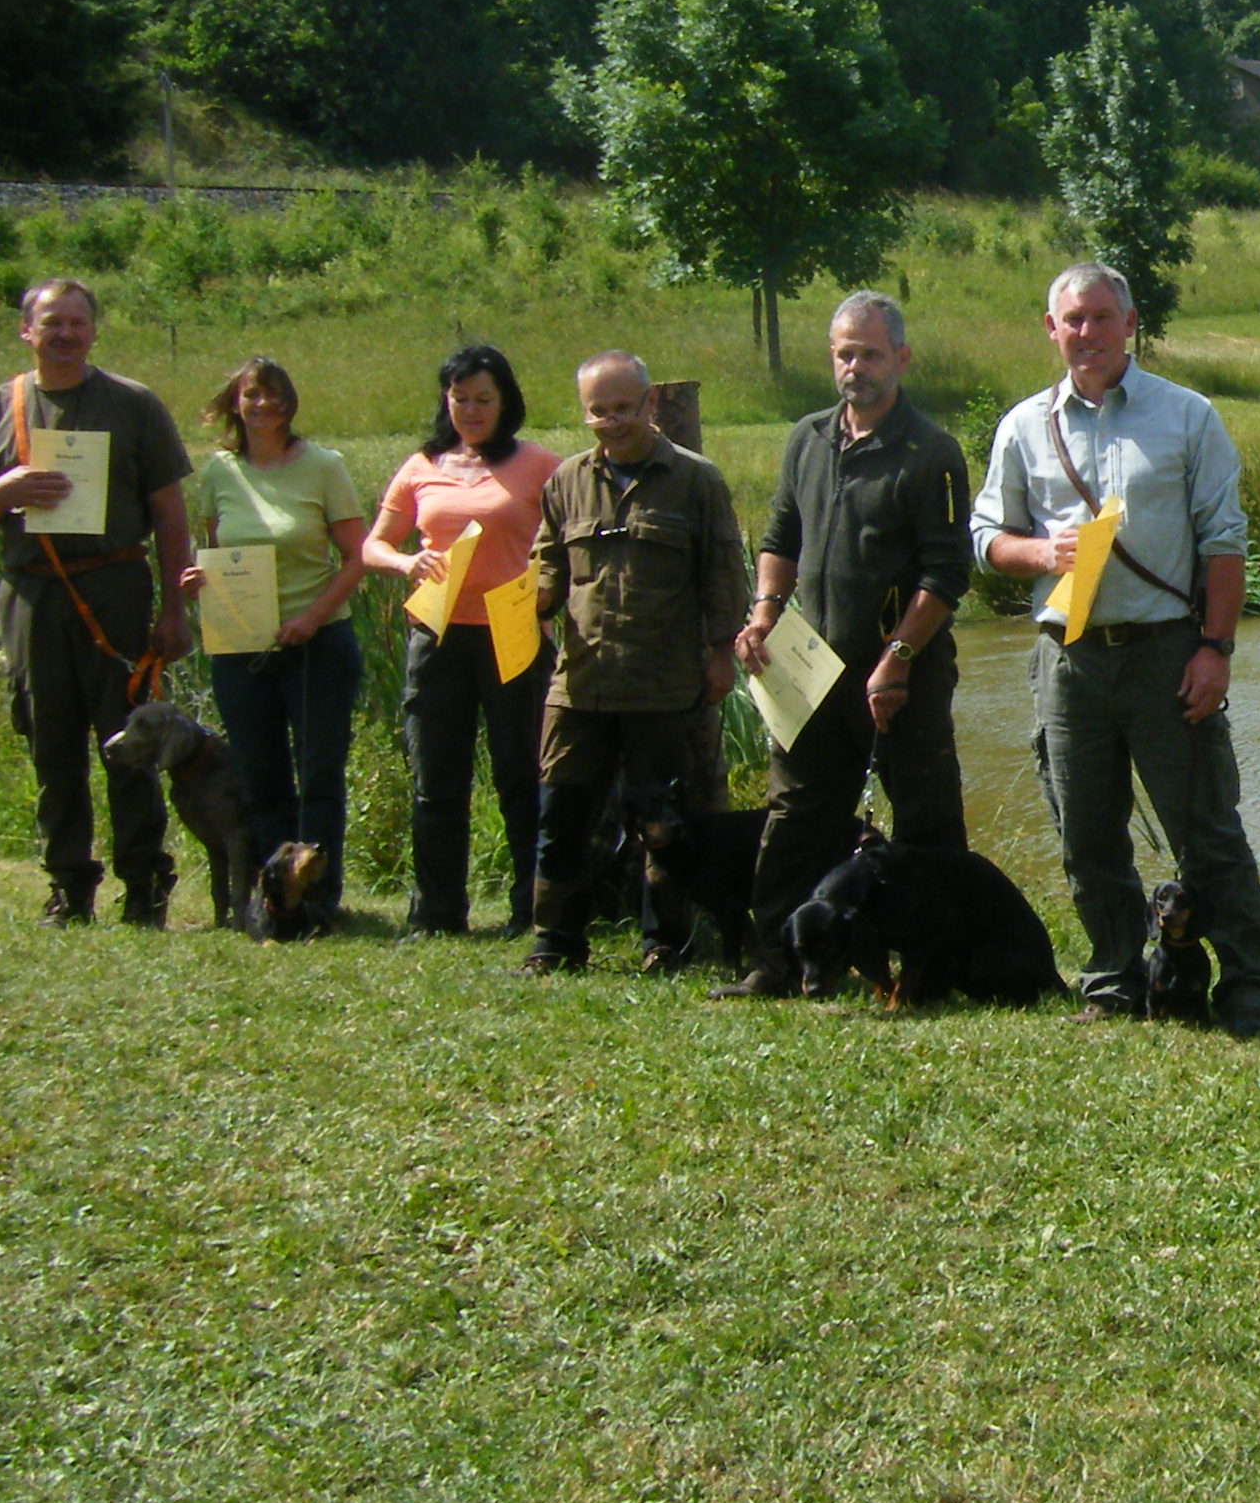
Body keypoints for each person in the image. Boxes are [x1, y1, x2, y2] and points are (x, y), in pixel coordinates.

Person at [971, 264, 1260, 1034]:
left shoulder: (1187, 416)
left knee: (1205, 825)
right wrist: (1041, 556)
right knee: (1085, 830)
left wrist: (1216, 648)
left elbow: (1225, 543)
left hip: (1166, 653)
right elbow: (984, 540)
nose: (1087, 333)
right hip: (1067, 660)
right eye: (1072, 320)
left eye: (1102, 318)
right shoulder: (1023, 427)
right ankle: (1114, 978)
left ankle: (1246, 984)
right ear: (1052, 329)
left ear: (1129, 322)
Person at [721, 292, 972, 999]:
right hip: (812, 666)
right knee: (797, 815)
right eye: (842, 353)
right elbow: (780, 538)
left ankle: (935, 971)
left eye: (867, 353)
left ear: (901, 357)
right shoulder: (806, 438)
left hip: (903, 670)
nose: (853, 367)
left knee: (923, 818)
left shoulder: (931, 453)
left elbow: (948, 574)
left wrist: (899, 657)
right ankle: (779, 962)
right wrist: (766, 609)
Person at [0, 277, 196, 926]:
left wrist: (173, 609)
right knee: (50, 744)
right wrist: (4, 490)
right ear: (26, 331)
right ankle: (69, 887)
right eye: (51, 322)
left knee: (131, 741)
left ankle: (144, 884)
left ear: (93, 330)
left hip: (115, 587)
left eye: (76, 322)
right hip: (31, 595)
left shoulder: (133, 405)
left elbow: (170, 514)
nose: (64, 333)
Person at [522, 352, 748, 975]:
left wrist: (722, 652)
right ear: (584, 412)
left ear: (650, 405)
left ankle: (665, 944)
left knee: (667, 824)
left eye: (624, 407)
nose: (612, 420)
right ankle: (554, 944)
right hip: (581, 685)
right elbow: (546, 556)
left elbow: (725, 573)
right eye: (599, 410)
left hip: (664, 684)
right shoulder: (565, 481)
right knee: (560, 815)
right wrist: (538, 591)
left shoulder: (696, 480)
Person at [363, 345, 560, 936]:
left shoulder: (539, 465)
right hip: (437, 631)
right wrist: (406, 564)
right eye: (460, 398)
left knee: (520, 775)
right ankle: (438, 911)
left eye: (483, 399)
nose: (470, 410)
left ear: (506, 403)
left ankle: (533, 908)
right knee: (435, 779)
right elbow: (373, 546)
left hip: (513, 632)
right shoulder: (422, 465)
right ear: (444, 400)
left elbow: (571, 541)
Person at [187, 356, 368, 929]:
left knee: (317, 779)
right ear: (234, 404)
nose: (262, 405)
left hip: (317, 646)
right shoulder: (218, 472)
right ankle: (273, 900)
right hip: (242, 649)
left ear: (290, 401)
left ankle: (317, 897)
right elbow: (217, 554)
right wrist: (198, 579)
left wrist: (313, 618)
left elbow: (357, 556)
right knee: (262, 779)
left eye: (272, 394)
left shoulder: (323, 466)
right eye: (250, 395)